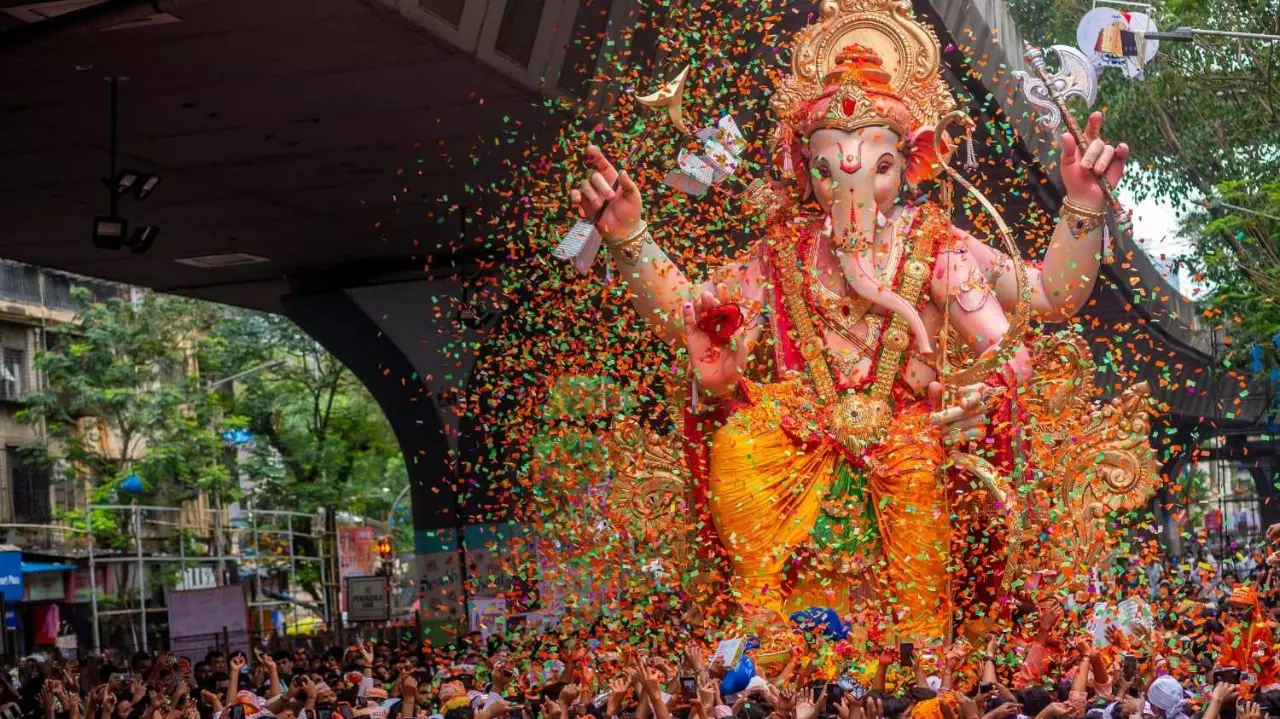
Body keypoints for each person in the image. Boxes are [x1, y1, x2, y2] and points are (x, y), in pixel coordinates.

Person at [565, 0, 1132, 638]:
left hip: (913, 439)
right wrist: (631, 238)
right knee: (736, 446)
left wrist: (1081, 206)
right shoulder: (779, 251)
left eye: (875, 168)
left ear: (909, 162)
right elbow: (690, 314)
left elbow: (1049, 297)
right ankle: (767, 633)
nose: (850, 190)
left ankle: (923, 654)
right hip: (798, 436)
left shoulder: (935, 244)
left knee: (918, 471)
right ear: (803, 170)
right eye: (828, 171)